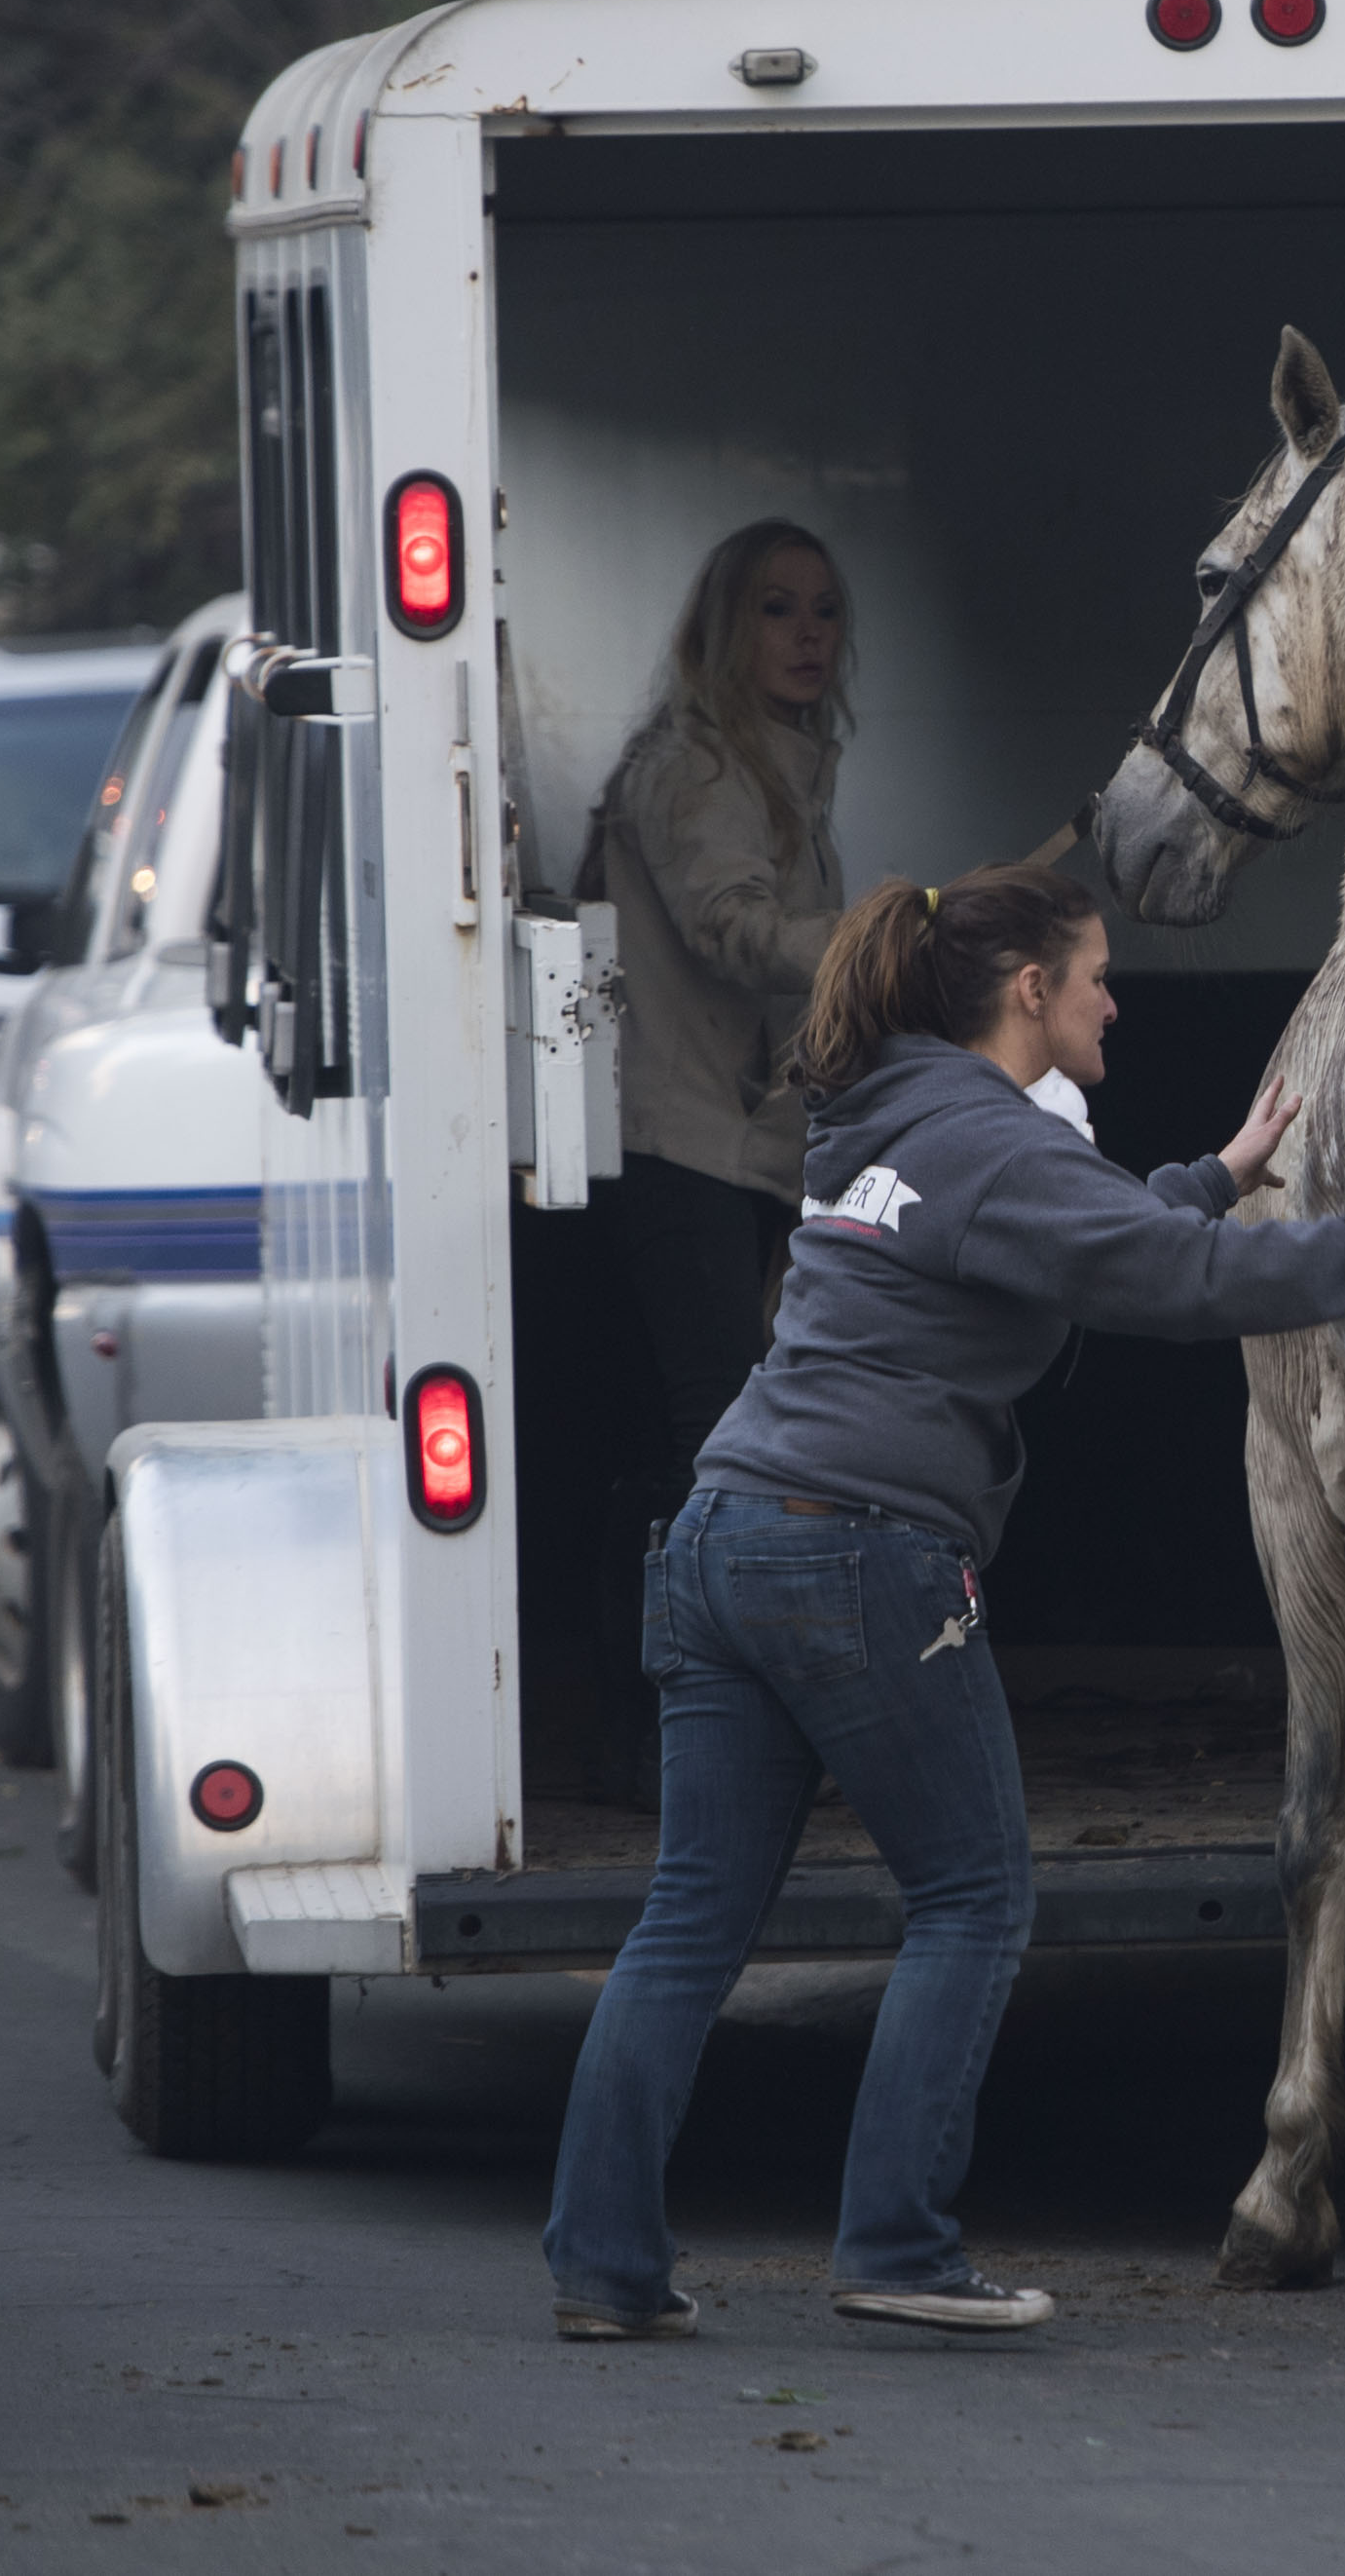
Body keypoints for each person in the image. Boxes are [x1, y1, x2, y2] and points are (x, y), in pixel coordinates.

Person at [542, 861, 1345, 2341]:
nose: (1114, 999)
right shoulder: (994, 1143)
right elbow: (1173, 1283)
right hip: (861, 1556)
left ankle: (602, 2267)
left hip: (723, 1534)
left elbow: (1071, 1238)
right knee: (974, 1896)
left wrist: (1211, 1169)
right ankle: (894, 2242)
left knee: (690, 1919)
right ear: (1029, 995)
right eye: (1094, 976)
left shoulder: (884, 1110)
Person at [577, 520, 852, 1789]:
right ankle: (696, 1738)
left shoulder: (782, 765)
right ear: (722, 632)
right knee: (718, 1444)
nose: (807, 635)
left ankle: (705, 1729)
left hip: (749, 1152)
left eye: (824, 613)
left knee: (733, 1440)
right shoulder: (692, 768)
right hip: (682, 1144)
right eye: (777, 610)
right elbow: (737, 930)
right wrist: (885, 940)